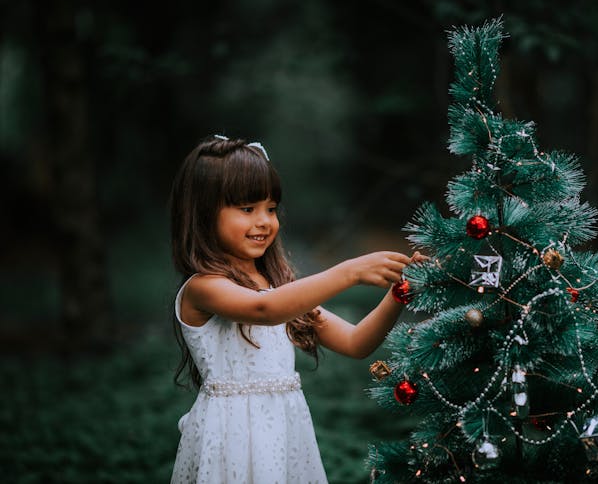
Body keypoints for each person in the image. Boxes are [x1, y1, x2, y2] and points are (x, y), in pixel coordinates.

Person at [168, 135, 422, 483]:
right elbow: (263, 309)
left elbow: (355, 342)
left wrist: (400, 291)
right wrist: (350, 271)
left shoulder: (281, 292)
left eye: (270, 209)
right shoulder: (204, 288)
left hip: (284, 435)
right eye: (247, 209)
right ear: (203, 213)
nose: (264, 221)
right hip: (230, 440)